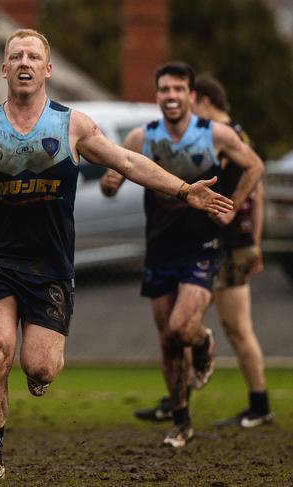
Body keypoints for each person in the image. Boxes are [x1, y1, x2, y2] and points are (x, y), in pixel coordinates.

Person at [0, 31, 233, 481]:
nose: (24, 62)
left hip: (49, 265)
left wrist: (185, 189)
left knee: (40, 368)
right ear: (4, 70)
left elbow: (128, 163)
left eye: (34, 56)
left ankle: (39, 373)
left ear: (47, 70)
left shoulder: (73, 125)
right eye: (16, 56)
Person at [100, 62, 263, 448]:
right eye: (164, 90)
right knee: (167, 340)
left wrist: (232, 205)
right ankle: (181, 420)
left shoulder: (215, 134)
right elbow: (114, 181)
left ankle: (203, 342)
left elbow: (254, 165)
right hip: (159, 249)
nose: (170, 96)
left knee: (181, 328)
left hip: (201, 249)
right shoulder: (143, 137)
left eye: (178, 90)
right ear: (157, 96)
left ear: (192, 96)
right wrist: (109, 184)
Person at [134, 75, 272, 428]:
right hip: (195, 241)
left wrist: (252, 238)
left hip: (227, 242)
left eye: (188, 97)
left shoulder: (226, 135)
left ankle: (259, 404)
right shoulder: (197, 135)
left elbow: (257, 190)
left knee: (234, 326)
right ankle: (178, 403)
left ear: (203, 100)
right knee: (179, 327)